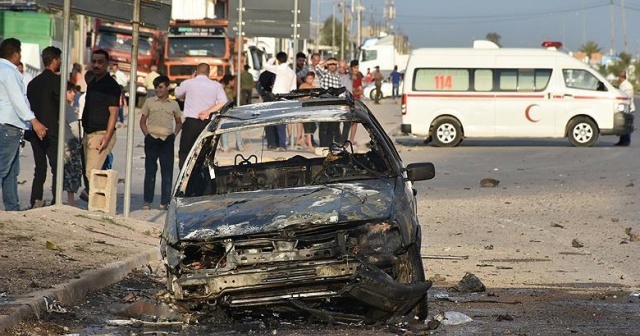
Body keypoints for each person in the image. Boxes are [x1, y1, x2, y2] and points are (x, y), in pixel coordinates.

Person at [0, 38, 47, 211]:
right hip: (8, 125)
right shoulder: (9, 71)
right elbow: (17, 100)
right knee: (3, 168)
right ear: (15, 54)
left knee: (12, 171)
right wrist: (34, 121)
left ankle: (12, 207)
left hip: (7, 125)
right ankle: (12, 207)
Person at [26, 46, 63, 208]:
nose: (60, 62)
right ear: (54, 60)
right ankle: (56, 201)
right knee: (56, 167)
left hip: (35, 130)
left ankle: (36, 200)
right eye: (60, 59)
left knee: (39, 168)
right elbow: (60, 106)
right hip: (52, 130)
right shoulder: (57, 82)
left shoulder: (33, 83)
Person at [139, 75, 182, 210]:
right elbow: (142, 121)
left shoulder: (174, 104)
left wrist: (173, 135)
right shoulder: (149, 102)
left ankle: (164, 202)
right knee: (150, 171)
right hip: (152, 139)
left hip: (167, 141)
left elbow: (179, 122)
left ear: (167, 87)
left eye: (161, 87)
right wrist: (147, 135)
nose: (158, 90)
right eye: (156, 87)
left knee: (167, 173)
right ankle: (147, 201)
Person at [82, 49, 121, 191]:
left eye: (100, 62)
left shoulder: (111, 86)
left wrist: (107, 136)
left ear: (107, 64)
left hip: (102, 133)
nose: (96, 65)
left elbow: (114, 113)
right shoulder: (93, 82)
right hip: (88, 133)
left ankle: (96, 206)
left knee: (91, 172)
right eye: (94, 61)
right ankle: (97, 203)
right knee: (91, 172)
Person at [175, 63, 227, 168]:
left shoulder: (188, 83)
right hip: (208, 124)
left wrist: (191, 79)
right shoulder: (216, 85)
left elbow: (178, 94)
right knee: (205, 153)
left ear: (196, 71)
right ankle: (202, 177)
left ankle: (185, 179)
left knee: (185, 152)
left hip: (191, 123)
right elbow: (223, 102)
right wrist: (208, 111)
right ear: (208, 73)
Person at [263, 51, 297, 151]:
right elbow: (293, 88)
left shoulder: (279, 69)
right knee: (282, 122)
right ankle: (282, 144)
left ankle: (279, 144)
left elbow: (266, 65)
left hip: (276, 98)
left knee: (273, 121)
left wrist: (273, 58)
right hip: (286, 98)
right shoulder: (291, 72)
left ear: (278, 60)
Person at [62, 81, 83, 206]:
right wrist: (81, 139)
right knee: (72, 172)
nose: (73, 94)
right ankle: (71, 202)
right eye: (70, 92)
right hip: (70, 143)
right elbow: (75, 128)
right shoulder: (68, 108)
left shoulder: (56, 106)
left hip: (60, 143)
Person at [314, 57, 342, 146]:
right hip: (324, 103)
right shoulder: (324, 75)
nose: (332, 66)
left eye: (334, 64)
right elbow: (317, 68)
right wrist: (327, 61)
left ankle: (330, 145)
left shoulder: (337, 77)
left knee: (332, 127)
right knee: (323, 126)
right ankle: (322, 145)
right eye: (331, 64)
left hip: (334, 104)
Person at [219, 74, 244, 152]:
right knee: (232, 129)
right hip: (228, 111)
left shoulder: (225, 89)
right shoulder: (227, 90)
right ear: (229, 81)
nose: (234, 82)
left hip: (227, 111)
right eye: (233, 81)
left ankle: (228, 146)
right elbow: (230, 101)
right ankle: (236, 146)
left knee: (227, 129)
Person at [343, 60, 364, 143]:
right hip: (348, 101)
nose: (356, 69)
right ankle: (344, 139)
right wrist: (355, 90)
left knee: (355, 122)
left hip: (356, 101)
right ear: (351, 68)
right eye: (355, 67)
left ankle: (351, 140)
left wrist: (355, 90)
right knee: (347, 122)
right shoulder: (348, 77)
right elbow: (349, 89)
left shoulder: (358, 78)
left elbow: (360, 91)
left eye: (357, 67)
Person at [615, 71, 634, 146]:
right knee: (622, 125)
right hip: (623, 108)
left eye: (619, 77)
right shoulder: (623, 85)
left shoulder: (627, 86)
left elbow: (628, 98)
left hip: (628, 108)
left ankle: (626, 141)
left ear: (622, 77)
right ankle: (622, 141)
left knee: (626, 125)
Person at [299, 72, 317, 149]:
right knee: (308, 126)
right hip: (304, 108)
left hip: (311, 108)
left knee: (314, 126)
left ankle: (303, 139)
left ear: (313, 79)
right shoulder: (303, 86)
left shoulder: (314, 87)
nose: (309, 80)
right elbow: (300, 96)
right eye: (308, 78)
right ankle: (309, 144)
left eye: (311, 78)